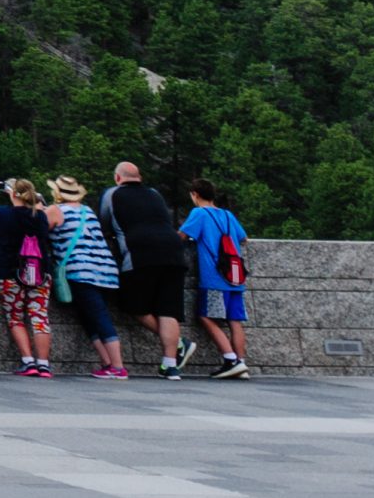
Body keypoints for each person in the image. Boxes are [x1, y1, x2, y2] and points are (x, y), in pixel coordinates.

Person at [99, 162, 186, 379]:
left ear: (118, 178)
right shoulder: (155, 194)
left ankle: (181, 344)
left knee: (132, 304)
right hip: (175, 252)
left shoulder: (112, 194)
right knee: (168, 310)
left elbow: (104, 225)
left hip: (140, 254)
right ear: (139, 177)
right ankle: (170, 365)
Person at [0, 178, 55, 376]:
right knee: (40, 317)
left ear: (11, 194)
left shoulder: (2, 214)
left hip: (11, 272)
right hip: (39, 272)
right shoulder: (40, 216)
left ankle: (28, 361)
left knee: (16, 317)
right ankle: (44, 364)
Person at [44, 175, 127, 379]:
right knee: (89, 316)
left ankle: (117, 366)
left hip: (80, 270)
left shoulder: (56, 210)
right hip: (105, 269)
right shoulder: (87, 210)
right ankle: (107, 363)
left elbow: (39, 229)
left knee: (98, 316)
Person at [180, 179, 252, 379]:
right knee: (234, 321)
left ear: (195, 194)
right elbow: (243, 238)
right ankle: (242, 362)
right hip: (235, 276)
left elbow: (182, 236)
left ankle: (230, 360)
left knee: (206, 316)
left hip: (214, 277)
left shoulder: (199, 213)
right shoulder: (228, 215)